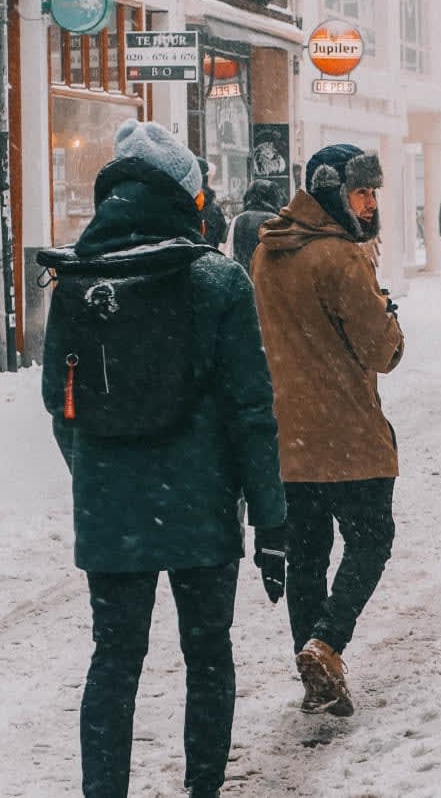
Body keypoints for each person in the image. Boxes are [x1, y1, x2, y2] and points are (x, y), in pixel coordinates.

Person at [48, 121, 287, 798]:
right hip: (200, 506)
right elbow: (251, 410)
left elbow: (56, 403)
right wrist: (269, 518)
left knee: (115, 660)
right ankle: (203, 787)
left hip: (110, 510)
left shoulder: (76, 281)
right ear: (187, 195)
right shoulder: (218, 279)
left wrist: (99, 468)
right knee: (208, 654)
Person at [253, 145, 405, 717]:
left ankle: (313, 669)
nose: (369, 206)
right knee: (372, 540)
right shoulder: (342, 259)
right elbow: (381, 349)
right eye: (361, 193)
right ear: (332, 191)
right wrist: (390, 319)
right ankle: (328, 642)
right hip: (349, 437)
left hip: (288, 438)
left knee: (308, 557)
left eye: (373, 195)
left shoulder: (267, 254)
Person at [230, 178, 285, 277]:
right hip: (269, 282)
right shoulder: (277, 221)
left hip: (242, 280)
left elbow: (227, 252)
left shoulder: (237, 220)